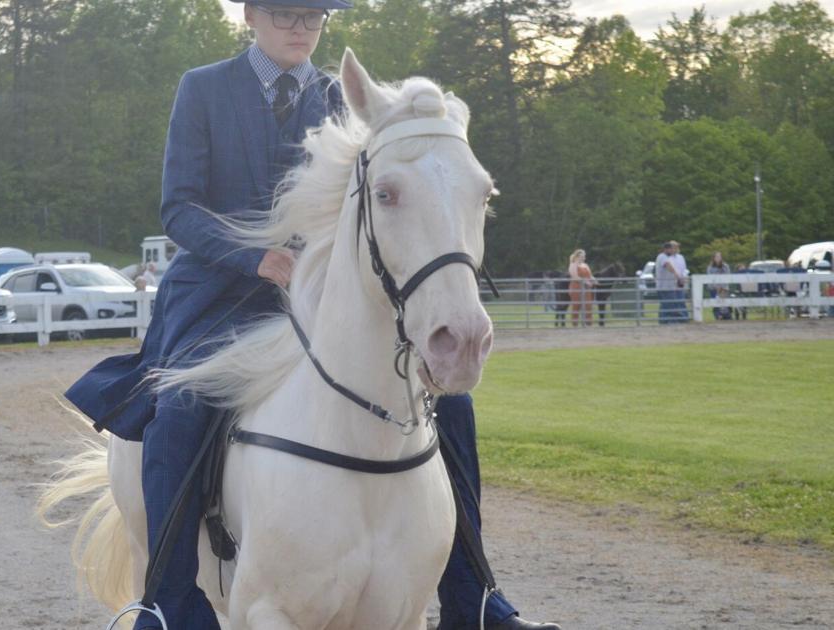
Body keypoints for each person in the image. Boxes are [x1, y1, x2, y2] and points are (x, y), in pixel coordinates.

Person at [64, 4, 559, 629]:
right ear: (251, 16)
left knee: (450, 405)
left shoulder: (344, 98)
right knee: (180, 409)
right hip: (220, 292)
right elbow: (179, 209)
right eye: (285, 14)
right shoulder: (203, 88)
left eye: (313, 16)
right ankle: (166, 605)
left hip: (323, 292)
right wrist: (256, 258)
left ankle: (475, 599)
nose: (301, 27)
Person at [656, 241, 687, 324]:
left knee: (674, 303)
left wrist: (681, 277)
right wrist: (678, 276)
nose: (673, 250)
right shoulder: (662, 256)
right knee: (667, 304)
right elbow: (669, 266)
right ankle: (666, 321)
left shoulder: (676, 257)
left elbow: (682, 269)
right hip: (665, 286)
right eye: (671, 249)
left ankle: (676, 320)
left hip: (673, 286)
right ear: (666, 249)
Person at [567, 249, 595, 327]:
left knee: (588, 305)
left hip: (586, 288)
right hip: (576, 287)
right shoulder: (573, 264)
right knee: (576, 305)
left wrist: (594, 280)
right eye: (582, 256)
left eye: (584, 256)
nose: (584, 258)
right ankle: (575, 324)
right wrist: (585, 282)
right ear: (577, 257)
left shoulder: (585, 265)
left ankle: (588, 324)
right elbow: (575, 276)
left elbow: (590, 275)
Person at [706, 252, 731, 320]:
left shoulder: (725, 266)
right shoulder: (710, 267)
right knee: (716, 303)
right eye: (716, 257)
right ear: (713, 258)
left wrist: (722, 287)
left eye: (719, 256)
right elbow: (709, 279)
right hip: (714, 289)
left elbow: (728, 277)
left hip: (724, 288)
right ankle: (718, 316)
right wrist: (716, 287)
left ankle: (727, 317)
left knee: (725, 303)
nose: (718, 258)